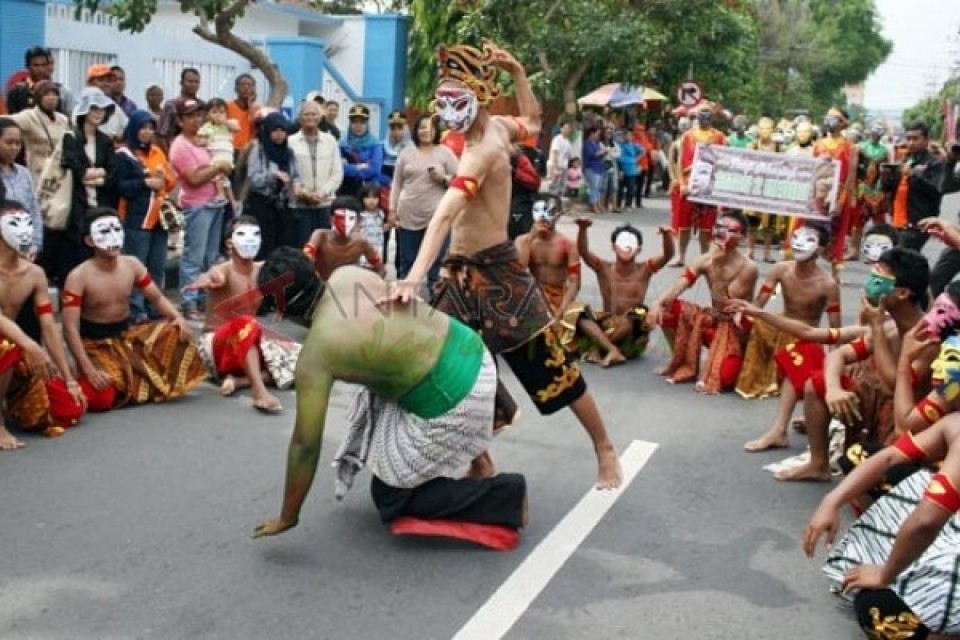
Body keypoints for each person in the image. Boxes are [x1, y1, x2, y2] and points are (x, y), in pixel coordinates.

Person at [387, 40, 622, 489]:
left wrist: (413, 277)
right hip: (459, 273)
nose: (446, 109)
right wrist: (518, 71)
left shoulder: (482, 150)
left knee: (548, 364)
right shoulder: (496, 127)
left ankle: (605, 449)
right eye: (441, 101)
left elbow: (445, 213)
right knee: (449, 369)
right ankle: (480, 459)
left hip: (500, 273)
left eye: (455, 100)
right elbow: (533, 120)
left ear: (477, 98)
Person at [251, 252, 527, 540]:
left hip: (457, 395)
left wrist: (288, 516)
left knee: (390, 497)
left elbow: (305, 445)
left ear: (281, 313)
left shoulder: (317, 354)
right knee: (374, 391)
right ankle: (479, 459)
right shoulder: (347, 274)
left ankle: (506, 496)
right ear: (315, 273)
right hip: (473, 349)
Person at [763, 247, 930, 481]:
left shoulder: (927, 338)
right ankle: (818, 464)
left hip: (908, 421)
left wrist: (877, 329)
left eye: (878, 279)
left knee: (876, 482)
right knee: (817, 383)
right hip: (874, 403)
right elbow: (837, 355)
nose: (870, 283)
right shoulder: (889, 327)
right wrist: (833, 389)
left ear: (902, 293)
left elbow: (895, 386)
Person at [805, 412, 960, 639]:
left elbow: (926, 521)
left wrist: (885, 575)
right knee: (865, 457)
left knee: (878, 609)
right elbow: (890, 456)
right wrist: (831, 501)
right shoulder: (954, 421)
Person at [61, 208, 206, 411]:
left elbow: (156, 296)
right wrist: (88, 368)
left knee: (173, 331)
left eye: (116, 228)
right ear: (90, 241)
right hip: (95, 345)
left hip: (127, 336)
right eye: (104, 231)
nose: (112, 236)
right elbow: (69, 329)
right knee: (101, 398)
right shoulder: (78, 277)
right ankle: (105, 376)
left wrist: (177, 317)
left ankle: (133, 378)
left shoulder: (132, 264)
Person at [731, 227, 843, 451]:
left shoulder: (828, 284)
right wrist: (741, 314)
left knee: (801, 351)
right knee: (745, 322)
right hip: (778, 326)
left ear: (820, 249)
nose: (799, 243)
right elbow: (759, 304)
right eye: (796, 237)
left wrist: (833, 367)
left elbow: (835, 331)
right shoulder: (781, 269)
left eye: (808, 239)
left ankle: (780, 429)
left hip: (806, 335)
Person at [188, 216, 299, 414]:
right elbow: (214, 276)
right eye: (242, 234)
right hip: (217, 347)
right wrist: (207, 280)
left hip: (250, 343)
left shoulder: (263, 270)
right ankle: (259, 391)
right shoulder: (223, 270)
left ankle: (240, 380)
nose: (250, 239)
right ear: (230, 243)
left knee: (303, 359)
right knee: (246, 323)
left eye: (255, 234)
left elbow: (294, 268)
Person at [0, 200, 86, 444]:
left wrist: (69, 379)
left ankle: (11, 401)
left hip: (17, 350)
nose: (24, 229)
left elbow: (48, 326)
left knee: (69, 410)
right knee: (6, 343)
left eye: (28, 222)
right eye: (14, 223)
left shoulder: (34, 273)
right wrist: (31, 346)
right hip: (11, 344)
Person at [650, 210, 758, 394]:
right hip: (712, 320)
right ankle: (679, 359)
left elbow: (726, 303)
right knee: (667, 309)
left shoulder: (748, 267)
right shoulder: (705, 259)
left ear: (741, 237)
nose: (721, 232)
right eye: (719, 227)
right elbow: (680, 285)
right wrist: (658, 302)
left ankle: (729, 360)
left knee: (726, 379)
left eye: (729, 229)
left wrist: (715, 265)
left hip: (735, 329)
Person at [569, 217, 674, 365]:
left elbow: (668, 255)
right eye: (622, 243)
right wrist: (583, 228)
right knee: (575, 310)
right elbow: (584, 252)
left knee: (640, 312)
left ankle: (599, 347)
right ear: (613, 247)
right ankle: (611, 349)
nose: (626, 248)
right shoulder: (603, 267)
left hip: (632, 338)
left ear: (639, 249)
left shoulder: (645, 269)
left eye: (631, 243)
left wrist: (666, 235)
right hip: (607, 325)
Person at [169, 98, 231, 321]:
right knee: (193, 257)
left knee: (210, 256)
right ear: (179, 120)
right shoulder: (180, 146)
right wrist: (218, 167)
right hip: (197, 205)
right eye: (190, 116)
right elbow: (194, 179)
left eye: (199, 115)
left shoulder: (203, 139)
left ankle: (206, 298)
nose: (196, 119)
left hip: (216, 201)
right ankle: (188, 303)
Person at [114, 110, 177, 324]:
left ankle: (155, 306)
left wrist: (162, 179)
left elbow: (170, 180)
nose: (147, 132)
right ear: (133, 129)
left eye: (150, 128)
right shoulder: (124, 154)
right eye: (143, 128)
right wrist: (144, 183)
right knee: (137, 266)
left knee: (157, 266)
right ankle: (136, 309)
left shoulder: (157, 151)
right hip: (136, 219)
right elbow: (118, 186)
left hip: (159, 218)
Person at [53, 88, 116, 286]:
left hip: (99, 205)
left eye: (102, 109)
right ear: (84, 110)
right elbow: (78, 171)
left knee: (100, 250)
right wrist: (97, 173)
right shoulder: (71, 137)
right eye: (93, 108)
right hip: (75, 206)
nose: (98, 113)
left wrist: (95, 174)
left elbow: (112, 172)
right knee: (76, 254)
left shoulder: (105, 140)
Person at [389, 114, 458, 287]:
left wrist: (443, 178)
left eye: (429, 127)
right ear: (415, 131)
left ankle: (437, 304)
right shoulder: (406, 153)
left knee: (437, 264)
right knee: (407, 263)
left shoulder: (445, 153)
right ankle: (406, 305)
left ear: (436, 130)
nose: (425, 131)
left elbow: (460, 182)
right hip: (408, 217)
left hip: (437, 217)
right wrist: (392, 209)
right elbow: (396, 183)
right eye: (421, 127)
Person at [887, 122, 960, 252]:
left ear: (926, 140)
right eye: (908, 139)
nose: (911, 143)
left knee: (899, 259)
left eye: (915, 139)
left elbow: (937, 190)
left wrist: (914, 176)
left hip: (917, 224)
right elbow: (896, 190)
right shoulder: (906, 160)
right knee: (902, 263)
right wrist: (887, 178)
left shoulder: (935, 163)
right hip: (898, 221)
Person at [671, 102, 728, 267]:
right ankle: (681, 256)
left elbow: (724, 160)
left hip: (708, 188)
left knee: (706, 227)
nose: (704, 117)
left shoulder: (720, 137)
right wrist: (682, 184)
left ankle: (705, 259)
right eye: (701, 113)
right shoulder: (688, 136)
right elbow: (680, 162)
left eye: (707, 113)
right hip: (689, 186)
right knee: (684, 226)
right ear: (696, 116)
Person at [243, 112, 299, 259]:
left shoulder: (289, 153)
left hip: (283, 207)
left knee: (282, 245)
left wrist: (296, 187)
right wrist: (273, 175)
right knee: (263, 246)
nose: (279, 135)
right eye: (275, 130)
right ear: (267, 131)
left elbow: (296, 176)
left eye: (283, 130)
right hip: (262, 205)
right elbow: (253, 179)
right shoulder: (259, 151)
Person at [288, 99, 343, 245]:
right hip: (299, 204)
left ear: (319, 118)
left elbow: (337, 173)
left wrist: (321, 193)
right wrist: (304, 193)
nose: (310, 118)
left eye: (314, 114)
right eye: (306, 114)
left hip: (324, 204)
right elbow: (289, 173)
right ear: (299, 118)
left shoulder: (330, 140)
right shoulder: (290, 142)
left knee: (324, 247)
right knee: (302, 246)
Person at [814, 107, 859, 270]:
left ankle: (835, 272)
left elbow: (851, 176)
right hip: (819, 193)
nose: (828, 120)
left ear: (842, 123)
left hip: (839, 194)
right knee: (814, 229)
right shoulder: (818, 144)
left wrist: (841, 201)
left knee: (836, 232)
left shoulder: (850, 147)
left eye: (833, 118)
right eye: (827, 117)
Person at [303, 196, 383, 280]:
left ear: (358, 221)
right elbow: (306, 260)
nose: (344, 223)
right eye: (340, 218)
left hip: (347, 287)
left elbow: (380, 269)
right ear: (331, 219)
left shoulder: (362, 243)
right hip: (322, 286)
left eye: (351, 218)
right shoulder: (320, 236)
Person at [7, 81, 70, 186]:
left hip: (59, 175)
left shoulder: (63, 119)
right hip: (38, 175)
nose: (51, 98)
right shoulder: (29, 116)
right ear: (38, 97)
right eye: (46, 94)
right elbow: (5, 121)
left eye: (55, 94)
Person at [0, 118, 42, 260]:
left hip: (24, 247)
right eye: (9, 143)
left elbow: (34, 210)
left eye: (18, 143)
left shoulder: (24, 173)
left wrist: (33, 245)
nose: (14, 147)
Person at [5, 47, 73, 116]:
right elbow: (12, 121)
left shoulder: (62, 91)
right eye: (35, 65)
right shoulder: (16, 92)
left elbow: (68, 122)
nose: (40, 69)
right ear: (27, 66)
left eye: (44, 65)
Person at [198, 98, 239, 207]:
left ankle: (220, 194)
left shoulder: (229, 123)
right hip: (213, 154)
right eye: (214, 112)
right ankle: (233, 201)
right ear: (207, 114)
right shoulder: (206, 127)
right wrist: (206, 141)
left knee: (217, 173)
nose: (218, 115)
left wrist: (224, 121)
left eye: (221, 112)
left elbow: (237, 128)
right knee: (223, 177)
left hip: (225, 154)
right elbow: (200, 140)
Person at [338, 104, 382, 198]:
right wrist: (358, 167)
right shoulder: (342, 144)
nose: (358, 126)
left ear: (367, 124)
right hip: (344, 190)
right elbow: (337, 168)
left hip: (367, 192)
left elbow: (375, 170)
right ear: (350, 123)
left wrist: (349, 168)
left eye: (362, 122)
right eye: (354, 122)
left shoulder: (375, 144)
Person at [158, 68, 201, 145]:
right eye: (190, 81)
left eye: (196, 82)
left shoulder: (202, 106)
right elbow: (161, 135)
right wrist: (170, 154)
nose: (194, 85)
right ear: (181, 82)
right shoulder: (171, 105)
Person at [357, 182, 387, 271]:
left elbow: (381, 228)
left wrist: (391, 225)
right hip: (363, 254)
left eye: (375, 197)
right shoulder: (359, 215)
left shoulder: (380, 214)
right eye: (367, 197)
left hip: (377, 251)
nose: (371, 201)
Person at [226, 73, 257, 154]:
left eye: (250, 85)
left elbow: (255, 126)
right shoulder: (227, 107)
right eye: (242, 85)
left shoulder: (257, 109)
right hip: (231, 149)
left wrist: (250, 104)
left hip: (249, 151)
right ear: (236, 88)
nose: (246, 88)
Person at [547, 121, 574, 196]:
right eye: (565, 128)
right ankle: (551, 205)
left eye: (568, 128)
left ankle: (558, 205)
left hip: (563, 167)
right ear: (561, 129)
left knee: (561, 188)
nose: (567, 130)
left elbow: (569, 156)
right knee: (553, 188)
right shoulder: (557, 139)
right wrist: (555, 168)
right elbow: (555, 153)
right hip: (555, 166)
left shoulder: (568, 142)